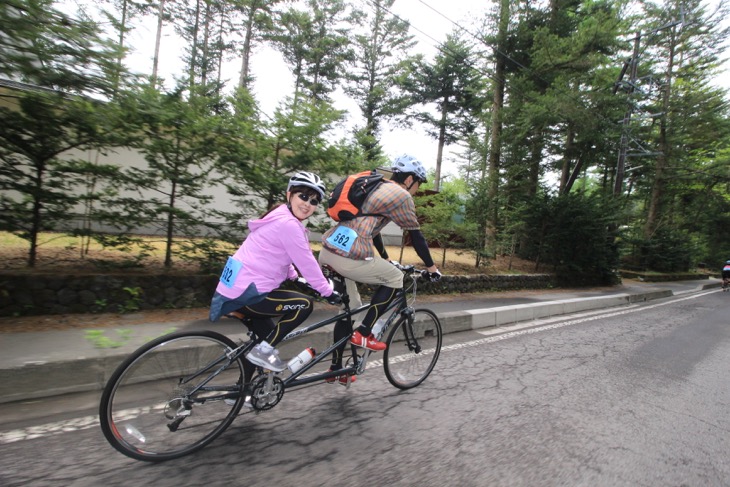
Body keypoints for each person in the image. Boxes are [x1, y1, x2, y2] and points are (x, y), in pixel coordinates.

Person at [319, 154, 442, 383]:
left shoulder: (376, 187)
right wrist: (432, 268)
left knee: (349, 310)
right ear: (409, 180)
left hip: (327, 252)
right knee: (395, 278)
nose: (417, 188)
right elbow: (417, 237)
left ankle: (337, 369)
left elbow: (372, 230)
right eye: (419, 183)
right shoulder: (402, 195)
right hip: (349, 257)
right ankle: (364, 333)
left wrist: (384, 257)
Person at [209, 171, 342, 375]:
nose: (308, 204)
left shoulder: (279, 215)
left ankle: (243, 389)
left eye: (314, 201)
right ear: (290, 194)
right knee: (304, 305)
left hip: (233, 287)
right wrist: (327, 292)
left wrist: (292, 277)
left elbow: (276, 253)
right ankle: (262, 352)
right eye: (303, 196)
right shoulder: (289, 224)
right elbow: (307, 263)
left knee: (266, 340)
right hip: (248, 292)